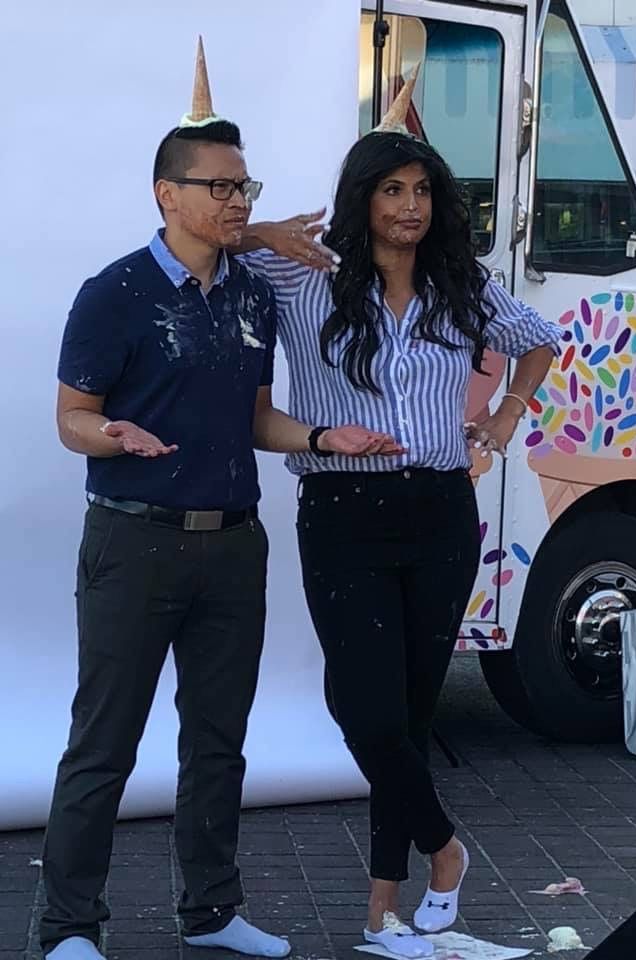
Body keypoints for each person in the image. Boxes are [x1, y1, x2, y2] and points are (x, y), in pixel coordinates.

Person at [39, 39, 400, 960]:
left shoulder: (251, 295)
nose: (239, 202)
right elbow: (72, 418)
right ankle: (69, 927)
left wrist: (321, 439)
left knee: (217, 743)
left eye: (246, 186)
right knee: (103, 745)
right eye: (222, 187)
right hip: (133, 544)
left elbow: (254, 419)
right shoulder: (113, 294)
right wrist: (106, 434)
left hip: (235, 546)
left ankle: (210, 912)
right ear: (168, 194)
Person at [238, 73, 562, 958]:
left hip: (439, 512)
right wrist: (260, 227)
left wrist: (498, 421)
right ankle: (447, 851)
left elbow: (537, 341)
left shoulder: (461, 285)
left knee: (413, 715)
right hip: (340, 509)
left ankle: (382, 916)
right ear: (362, 197)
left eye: (422, 190)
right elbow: (211, 243)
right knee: (364, 706)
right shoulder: (305, 276)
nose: (410, 206)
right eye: (392, 189)